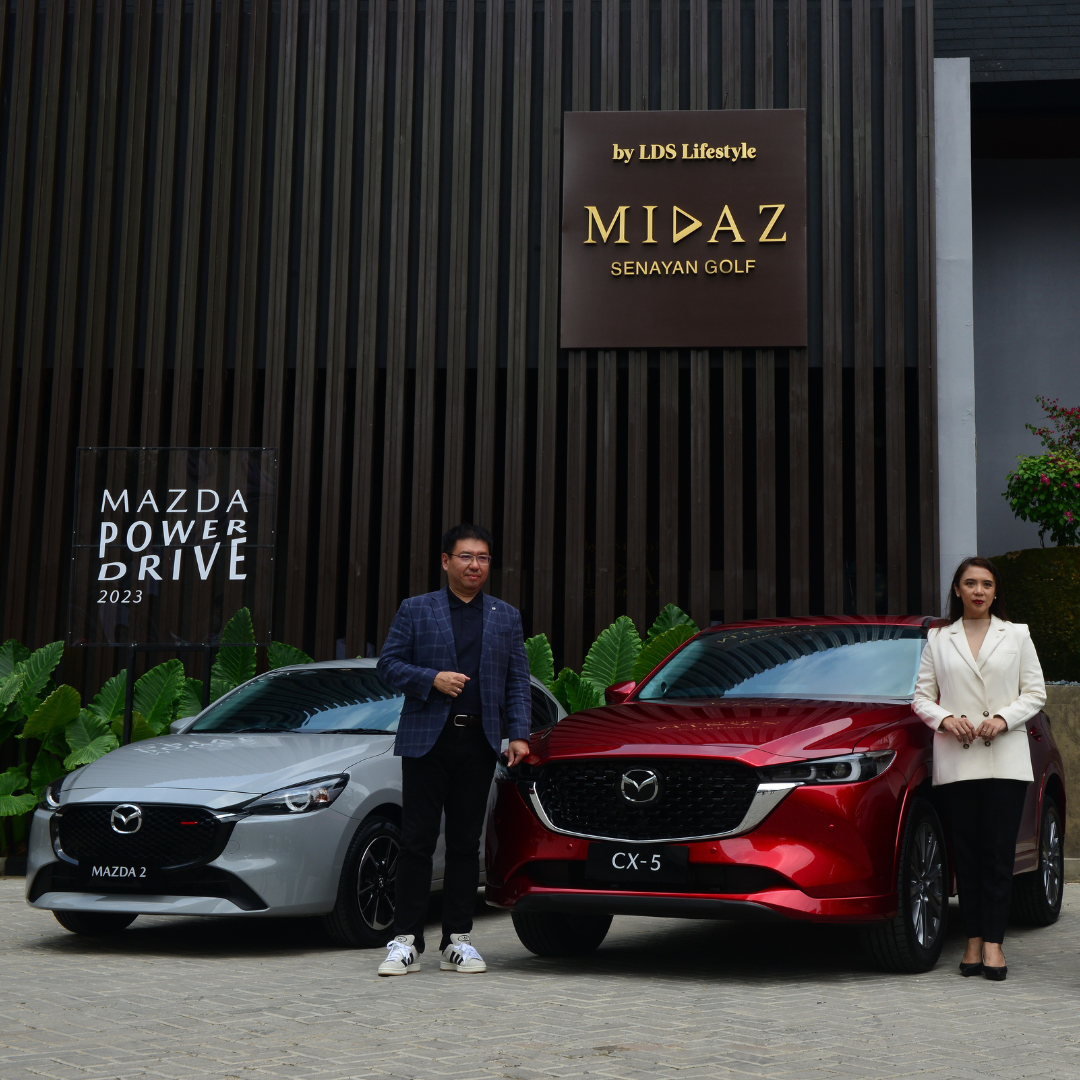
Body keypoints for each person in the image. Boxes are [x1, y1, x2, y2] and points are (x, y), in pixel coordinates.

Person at [374, 523, 531, 976]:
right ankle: (405, 942)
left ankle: (457, 941)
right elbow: (388, 665)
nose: (474, 565)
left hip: (479, 741)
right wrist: (432, 679)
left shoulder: (505, 616)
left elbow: (516, 681)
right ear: (446, 561)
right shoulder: (416, 609)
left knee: (466, 843)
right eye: (466, 556)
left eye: (483, 558)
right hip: (427, 740)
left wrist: (518, 734)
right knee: (416, 841)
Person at [913, 556, 1046, 982]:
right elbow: (921, 697)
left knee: (998, 854)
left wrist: (1004, 718)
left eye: (986, 584)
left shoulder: (1017, 634)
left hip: (1005, 758)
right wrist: (945, 719)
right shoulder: (939, 638)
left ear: (995, 591)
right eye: (970, 583)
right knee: (966, 854)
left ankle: (993, 943)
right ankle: (972, 939)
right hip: (959, 756)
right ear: (957, 590)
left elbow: (1035, 692)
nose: (978, 591)